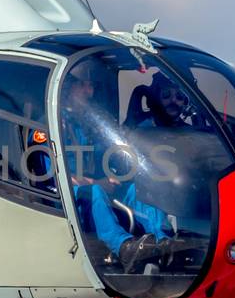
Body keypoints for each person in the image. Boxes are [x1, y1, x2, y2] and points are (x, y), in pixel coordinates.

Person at [61, 59, 174, 271]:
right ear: (68, 87)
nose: (89, 91)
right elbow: (53, 177)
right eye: (83, 85)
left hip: (100, 186)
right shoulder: (52, 124)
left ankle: (165, 241)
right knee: (94, 191)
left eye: (91, 85)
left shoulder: (89, 126)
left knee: (135, 188)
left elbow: (112, 153)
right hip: (67, 196)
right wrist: (98, 182)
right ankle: (123, 247)